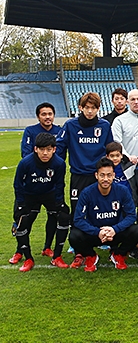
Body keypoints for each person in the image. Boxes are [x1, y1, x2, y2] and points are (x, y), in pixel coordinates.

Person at [69, 158, 138, 272]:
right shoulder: (87, 193)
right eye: (102, 175)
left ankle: (118, 254)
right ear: (96, 175)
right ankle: (91, 255)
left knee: (136, 230)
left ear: (113, 176)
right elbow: (78, 219)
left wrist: (115, 229)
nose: (106, 179)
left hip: (115, 233)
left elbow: (131, 216)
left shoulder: (122, 191)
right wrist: (97, 232)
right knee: (74, 236)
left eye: (109, 175)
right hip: (96, 234)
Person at [12, 133, 70, 272]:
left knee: (64, 216)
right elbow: (18, 184)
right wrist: (20, 204)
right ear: (35, 149)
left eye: (49, 149)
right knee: (22, 221)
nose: (45, 153)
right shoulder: (25, 163)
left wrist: (60, 202)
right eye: (42, 149)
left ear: (54, 149)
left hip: (49, 194)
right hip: (29, 195)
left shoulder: (59, 163)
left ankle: (56, 256)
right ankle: (28, 258)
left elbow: (60, 184)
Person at [56, 92, 114, 217]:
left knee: (99, 210)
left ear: (98, 108)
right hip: (79, 175)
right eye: (87, 107)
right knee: (78, 212)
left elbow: (110, 150)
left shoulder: (104, 126)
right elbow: (59, 147)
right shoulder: (70, 125)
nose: (90, 111)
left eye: (93, 108)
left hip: (98, 176)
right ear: (80, 107)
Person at [17, 102, 61, 259]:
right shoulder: (30, 131)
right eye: (44, 114)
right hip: (32, 184)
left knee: (54, 216)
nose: (47, 117)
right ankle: (19, 250)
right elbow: (26, 154)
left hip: (50, 184)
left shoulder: (59, 131)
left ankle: (47, 247)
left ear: (54, 115)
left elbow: (61, 154)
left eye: (50, 114)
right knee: (26, 218)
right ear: (38, 116)